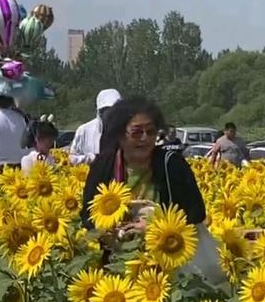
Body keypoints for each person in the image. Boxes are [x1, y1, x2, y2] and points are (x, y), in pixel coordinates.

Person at [81, 97, 206, 230]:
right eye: (136, 132)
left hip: (164, 246)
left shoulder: (172, 164)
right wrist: (107, 227)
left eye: (151, 132)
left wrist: (156, 225)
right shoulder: (102, 166)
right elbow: (87, 215)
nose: (144, 138)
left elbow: (196, 212)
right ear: (119, 134)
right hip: (115, 248)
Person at [69, 89, 122, 166]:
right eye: (106, 110)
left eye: (114, 110)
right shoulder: (84, 130)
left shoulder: (126, 130)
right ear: (100, 111)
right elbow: (72, 158)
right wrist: (90, 158)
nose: (110, 113)